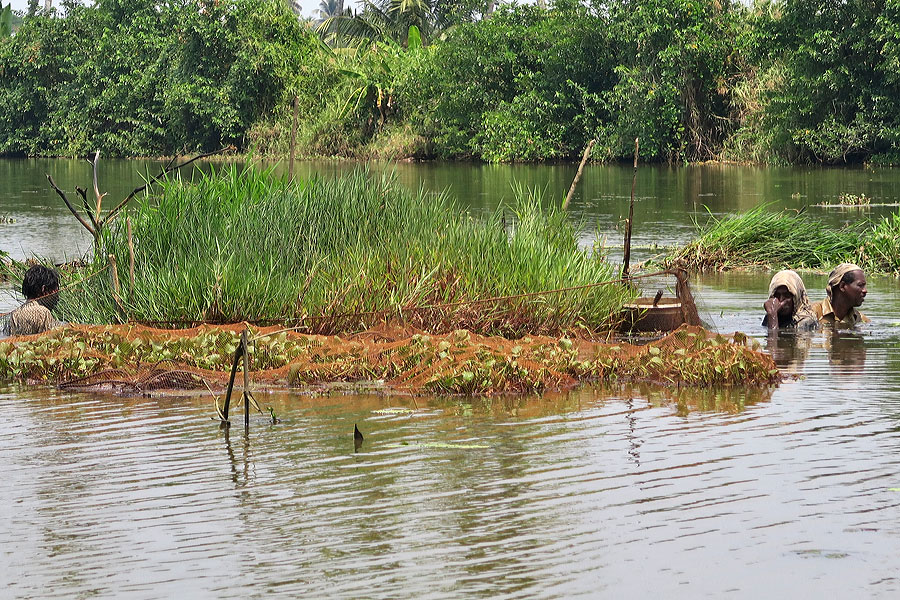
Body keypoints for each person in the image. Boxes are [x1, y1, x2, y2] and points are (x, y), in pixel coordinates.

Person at [1, 265, 62, 337]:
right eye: (56, 290)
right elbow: (52, 338)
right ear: (44, 290)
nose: (57, 297)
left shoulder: (15, 314)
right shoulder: (43, 312)